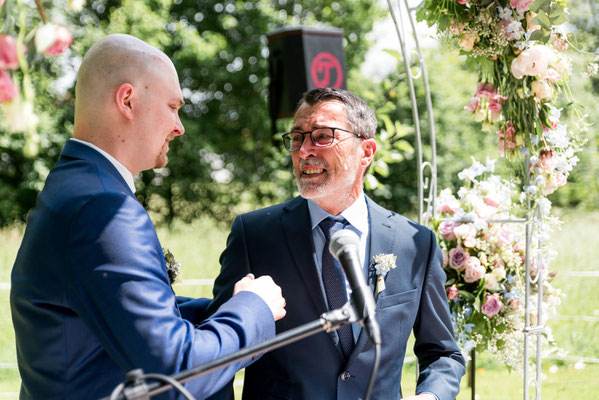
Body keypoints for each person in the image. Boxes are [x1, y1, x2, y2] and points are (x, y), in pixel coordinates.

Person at [10, 33, 286, 400]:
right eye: (173, 106)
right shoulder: (104, 207)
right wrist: (255, 310)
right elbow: (176, 372)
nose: (179, 126)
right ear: (127, 100)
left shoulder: (74, 185)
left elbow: (120, 315)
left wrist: (224, 308)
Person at [206, 88, 465, 400]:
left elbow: (443, 355)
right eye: (298, 137)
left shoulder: (415, 242)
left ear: (366, 151)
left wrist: (430, 397)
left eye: (322, 136)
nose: (303, 150)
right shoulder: (254, 234)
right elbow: (217, 358)